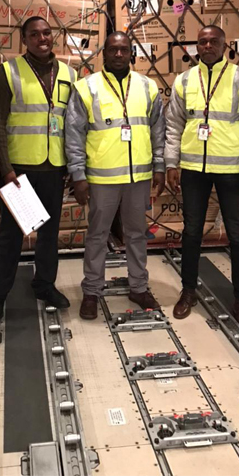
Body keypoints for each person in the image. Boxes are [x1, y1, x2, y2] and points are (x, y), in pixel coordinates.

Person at [164, 25, 239, 328]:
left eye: (213, 41)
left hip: (233, 170)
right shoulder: (184, 81)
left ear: (225, 46)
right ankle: (188, 291)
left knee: (237, 235)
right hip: (194, 169)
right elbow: (173, 125)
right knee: (191, 232)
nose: (207, 45)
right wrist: (172, 163)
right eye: (202, 41)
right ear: (196, 46)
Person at [65, 32, 166, 320]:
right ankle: (92, 291)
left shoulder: (148, 87)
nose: (118, 55)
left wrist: (159, 166)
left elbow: (157, 131)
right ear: (104, 54)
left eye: (124, 50)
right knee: (97, 235)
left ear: (132, 53)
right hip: (101, 178)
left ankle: (138, 286)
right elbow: (74, 134)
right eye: (113, 50)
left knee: (136, 234)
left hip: (139, 177)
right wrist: (78, 175)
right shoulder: (87, 87)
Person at [0, 16, 75, 320]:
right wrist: (5, 169)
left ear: (54, 36)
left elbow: (73, 125)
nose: (42, 38)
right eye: (34, 34)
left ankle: (44, 284)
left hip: (54, 167)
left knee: (49, 233)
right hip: (20, 169)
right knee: (12, 234)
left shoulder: (69, 74)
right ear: (24, 39)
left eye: (47, 33)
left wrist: (73, 167)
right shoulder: (8, 72)